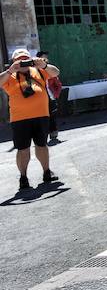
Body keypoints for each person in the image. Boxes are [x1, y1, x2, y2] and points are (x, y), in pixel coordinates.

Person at [2, 48, 60, 191]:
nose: (23, 62)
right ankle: (23, 177)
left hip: (41, 115)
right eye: (19, 60)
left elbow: (56, 72)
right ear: (14, 61)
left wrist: (43, 65)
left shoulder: (39, 70)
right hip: (20, 119)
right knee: (22, 149)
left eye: (26, 59)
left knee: (42, 145)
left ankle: (47, 172)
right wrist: (10, 70)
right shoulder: (10, 75)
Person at [35, 51, 62, 141]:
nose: (45, 59)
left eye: (46, 58)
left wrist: (56, 94)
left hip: (50, 96)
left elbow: (57, 82)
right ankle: (43, 134)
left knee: (52, 115)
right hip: (40, 97)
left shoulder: (49, 69)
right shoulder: (34, 71)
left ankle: (53, 133)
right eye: (43, 58)